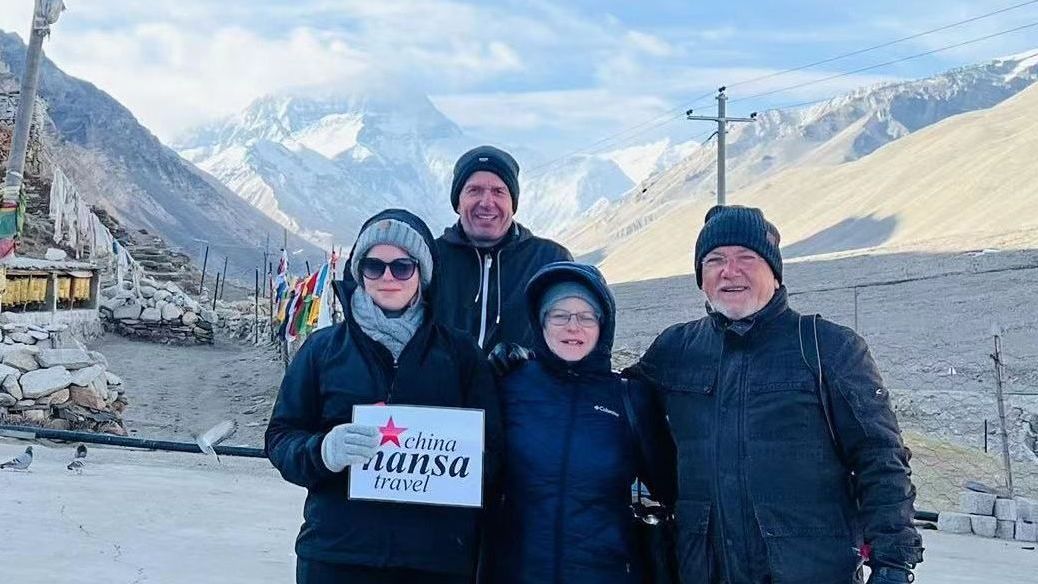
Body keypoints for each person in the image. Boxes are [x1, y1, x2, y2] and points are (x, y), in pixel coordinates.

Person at [623, 205, 923, 584]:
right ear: (701, 277)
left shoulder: (828, 348)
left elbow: (880, 459)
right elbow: (612, 405)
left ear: (775, 273)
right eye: (715, 260)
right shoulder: (676, 350)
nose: (730, 271)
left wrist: (893, 565)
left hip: (810, 572)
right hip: (703, 569)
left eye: (746, 257)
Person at [266, 209, 502, 584]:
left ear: (422, 273)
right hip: (337, 554)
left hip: (435, 561)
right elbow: (281, 438)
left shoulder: (461, 354)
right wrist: (323, 451)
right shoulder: (322, 349)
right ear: (359, 272)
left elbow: (494, 451)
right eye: (374, 266)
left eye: (402, 267)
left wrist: (454, 465)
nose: (388, 277)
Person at [487, 261, 676, 583]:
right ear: (540, 322)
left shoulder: (630, 398)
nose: (573, 327)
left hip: (608, 572)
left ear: (603, 325)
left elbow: (674, 488)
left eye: (586, 317)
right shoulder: (508, 386)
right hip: (518, 572)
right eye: (559, 315)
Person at [435, 145, 573, 352]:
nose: (487, 202)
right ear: (458, 202)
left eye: (499, 191)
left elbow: (575, 337)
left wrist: (529, 361)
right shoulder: (430, 258)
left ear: (512, 203)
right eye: (474, 190)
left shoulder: (551, 260)